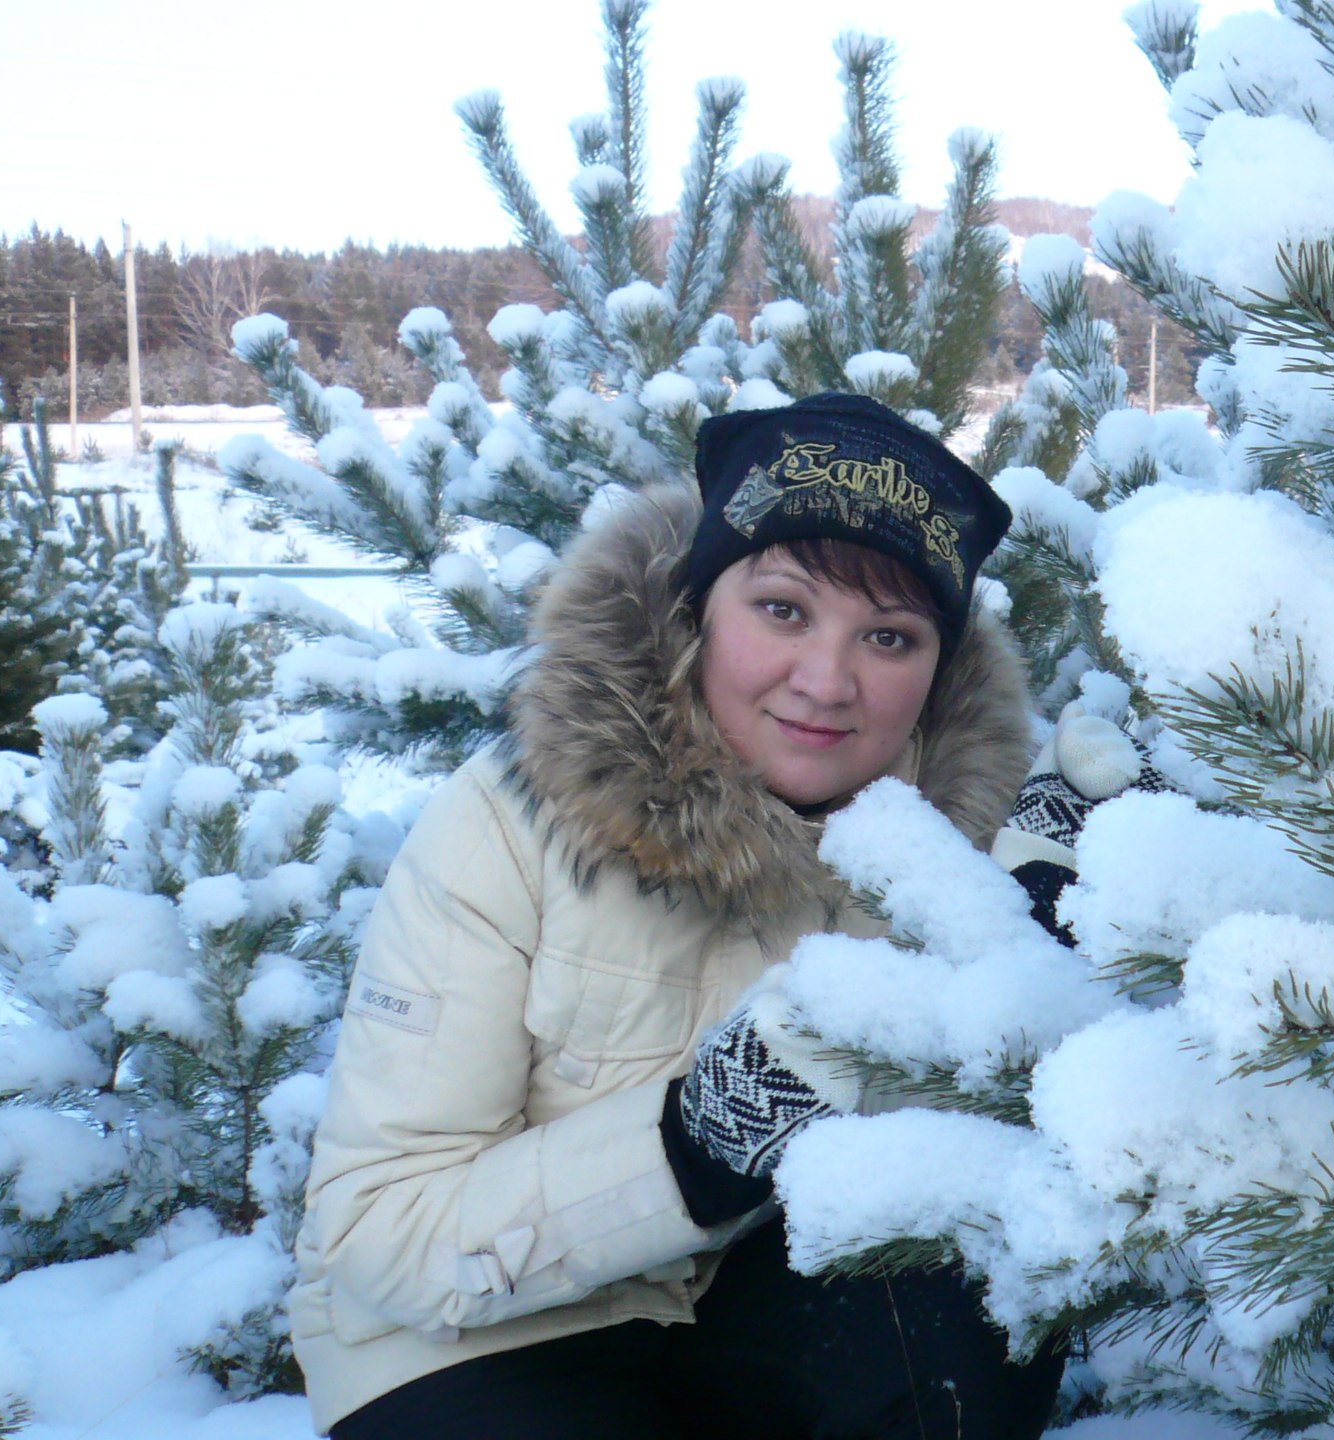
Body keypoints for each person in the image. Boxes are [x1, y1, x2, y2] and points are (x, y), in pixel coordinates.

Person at [287, 393, 1054, 1440]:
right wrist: (690, 1147)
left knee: (958, 1285)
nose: (827, 682)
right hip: (470, 1327)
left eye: (888, 636)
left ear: (937, 668)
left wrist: (1063, 962)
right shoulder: (509, 823)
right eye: (783, 610)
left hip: (758, 1302)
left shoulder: (962, 849)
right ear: (698, 607)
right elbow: (383, 1227)